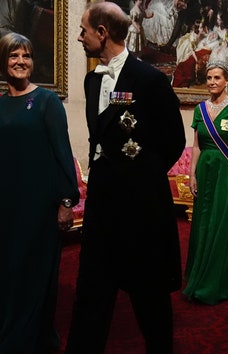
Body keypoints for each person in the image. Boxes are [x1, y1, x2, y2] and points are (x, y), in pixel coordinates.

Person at [65, 2, 186, 354]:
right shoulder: (91, 81)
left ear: (102, 33)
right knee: (92, 293)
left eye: (84, 30)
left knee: (149, 297)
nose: (79, 36)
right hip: (102, 206)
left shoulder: (149, 79)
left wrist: (140, 178)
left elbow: (173, 141)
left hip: (141, 208)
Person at [0, 32, 79, 353]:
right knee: (7, 272)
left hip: (39, 208)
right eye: (14, 56)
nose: (21, 62)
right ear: (3, 62)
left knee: (31, 274)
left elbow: (63, 153)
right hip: (6, 205)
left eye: (27, 55)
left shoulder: (47, 102)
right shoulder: (1, 103)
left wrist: (65, 201)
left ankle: (24, 341)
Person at [183, 60, 228, 305]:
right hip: (205, 172)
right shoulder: (200, 109)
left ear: (227, 80)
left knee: (223, 223)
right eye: (209, 78)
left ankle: (220, 280)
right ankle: (199, 275)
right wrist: (192, 175)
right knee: (203, 223)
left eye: (217, 78)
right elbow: (197, 145)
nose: (212, 82)